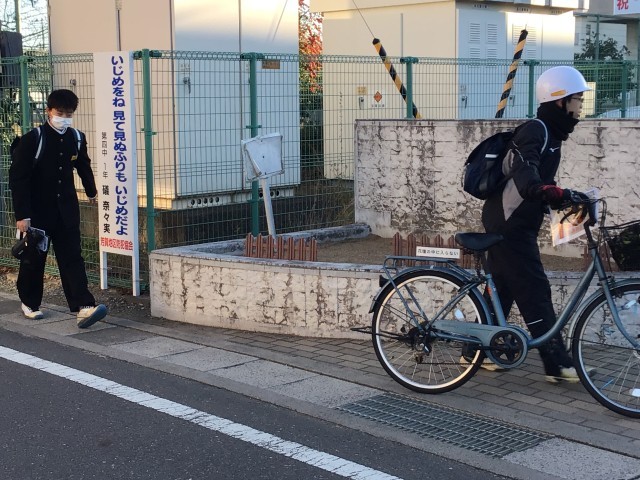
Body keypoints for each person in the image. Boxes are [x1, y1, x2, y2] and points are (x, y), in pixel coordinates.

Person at [482, 66, 590, 383]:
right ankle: (556, 364)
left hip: (515, 221)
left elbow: (541, 183)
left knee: (502, 289)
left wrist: (561, 196)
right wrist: (542, 189)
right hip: (508, 223)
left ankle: (476, 351)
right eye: (577, 100)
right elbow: (525, 170)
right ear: (559, 101)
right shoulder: (535, 130)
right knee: (534, 290)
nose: (580, 107)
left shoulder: (552, 136)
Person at [9, 89, 107, 328]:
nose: (64, 118)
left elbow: (83, 165)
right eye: (59, 113)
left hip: (67, 210)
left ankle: (84, 306)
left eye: (68, 114)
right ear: (48, 111)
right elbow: (19, 178)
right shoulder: (33, 139)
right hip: (37, 212)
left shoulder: (77, 137)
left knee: (72, 257)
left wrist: (91, 191)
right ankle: (30, 302)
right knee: (34, 259)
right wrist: (22, 215)